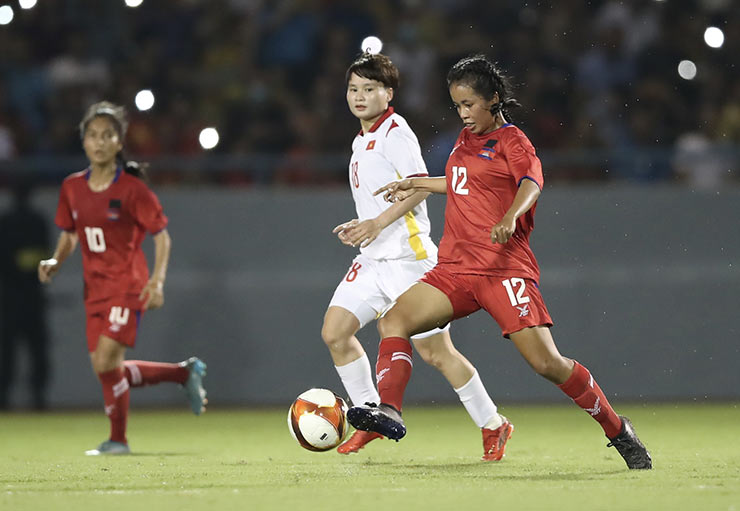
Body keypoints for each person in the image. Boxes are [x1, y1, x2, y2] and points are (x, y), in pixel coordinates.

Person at [349, 55, 652, 470]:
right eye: (457, 105)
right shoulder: (465, 140)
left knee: (547, 364)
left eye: (469, 104)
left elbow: (532, 182)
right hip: (455, 269)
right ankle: (390, 412)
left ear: (492, 100)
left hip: (502, 269)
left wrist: (511, 215)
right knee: (393, 322)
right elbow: (461, 184)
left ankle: (618, 430)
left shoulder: (513, 141)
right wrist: (417, 182)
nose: (463, 113)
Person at [325, 52, 512, 460]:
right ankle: (374, 415)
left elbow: (420, 186)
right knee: (335, 333)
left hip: (409, 259)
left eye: (369, 88)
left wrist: (375, 224)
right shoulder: (362, 138)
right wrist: (363, 225)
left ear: (388, 93)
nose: (359, 96)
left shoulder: (395, 131)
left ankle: (494, 424)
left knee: (436, 353)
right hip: (374, 260)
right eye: (354, 89)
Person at [38, 101, 207, 455]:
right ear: (83, 141)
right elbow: (70, 233)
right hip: (94, 289)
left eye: (107, 135)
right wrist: (55, 260)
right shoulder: (72, 187)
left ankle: (118, 440)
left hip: (127, 285)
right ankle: (182, 374)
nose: (99, 142)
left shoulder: (132, 190)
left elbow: (162, 236)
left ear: (119, 142)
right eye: (92, 136)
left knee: (104, 363)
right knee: (108, 369)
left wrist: (157, 281)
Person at [0, 181, 51, 410]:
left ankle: (4, 397)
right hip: (30, 294)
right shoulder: (36, 222)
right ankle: (38, 396)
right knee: (35, 348)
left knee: (8, 350)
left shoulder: (6, 222)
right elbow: (45, 257)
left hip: (9, 296)